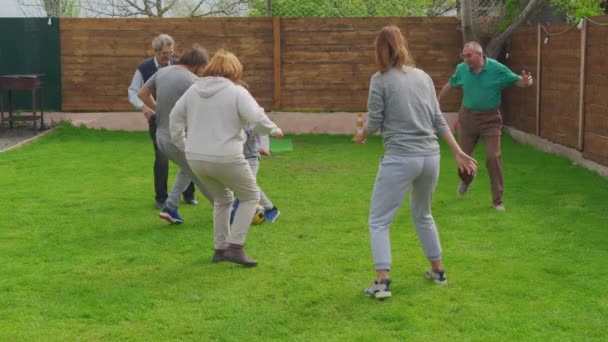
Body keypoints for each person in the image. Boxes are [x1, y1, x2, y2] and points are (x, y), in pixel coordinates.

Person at [353, 26, 477, 299]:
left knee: (379, 220)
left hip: (400, 158)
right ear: (403, 45)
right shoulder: (423, 77)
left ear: (379, 49)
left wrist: (362, 134)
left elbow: (374, 120)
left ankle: (382, 282)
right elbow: (438, 119)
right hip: (430, 158)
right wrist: (457, 151)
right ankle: (438, 270)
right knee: (423, 214)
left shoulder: (380, 79)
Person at [170, 49, 283, 267]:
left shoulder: (193, 90)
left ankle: (220, 249)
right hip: (227, 156)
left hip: (196, 158)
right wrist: (274, 130)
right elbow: (256, 117)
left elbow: (175, 116)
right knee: (250, 197)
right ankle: (235, 246)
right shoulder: (237, 92)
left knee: (222, 200)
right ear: (234, 71)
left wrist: (183, 144)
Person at [437, 41, 534, 211]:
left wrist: (526, 82)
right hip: (467, 118)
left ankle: (497, 200)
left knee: (493, 157)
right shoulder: (462, 69)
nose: (465, 59)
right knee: (463, 156)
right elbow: (450, 84)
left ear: (479, 55)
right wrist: (436, 103)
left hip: (490, 120)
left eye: (469, 56)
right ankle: (467, 179)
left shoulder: (496, 69)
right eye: (463, 56)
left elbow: (517, 81)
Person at [137, 45, 214, 224]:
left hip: (161, 135)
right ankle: (227, 208)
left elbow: (142, 94)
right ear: (198, 65)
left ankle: (170, 207)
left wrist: (159, 109)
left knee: (186, 169)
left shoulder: (164, 71)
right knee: (199, 173)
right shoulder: (194, 81)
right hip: (179, 139)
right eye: (203, 67)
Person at [128, 33, 197, 210]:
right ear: (155, 52)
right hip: (157, 119)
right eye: (165, 54)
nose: (168, 57)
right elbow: (133, 91)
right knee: (161, 158)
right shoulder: (144, 68)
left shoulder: (177, 65)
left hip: (181, 119)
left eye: (171, 53)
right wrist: (143, 107)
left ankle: (189, 195)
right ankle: (161, 198)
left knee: (188, 154)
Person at [230, 126, 280, 224]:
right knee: (239, 184)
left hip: (251, 157)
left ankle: (271, 209)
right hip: (236, 157)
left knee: (248, 185)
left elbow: (262, 130)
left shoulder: (251, 116)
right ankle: (237, 210)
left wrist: (264, 147)